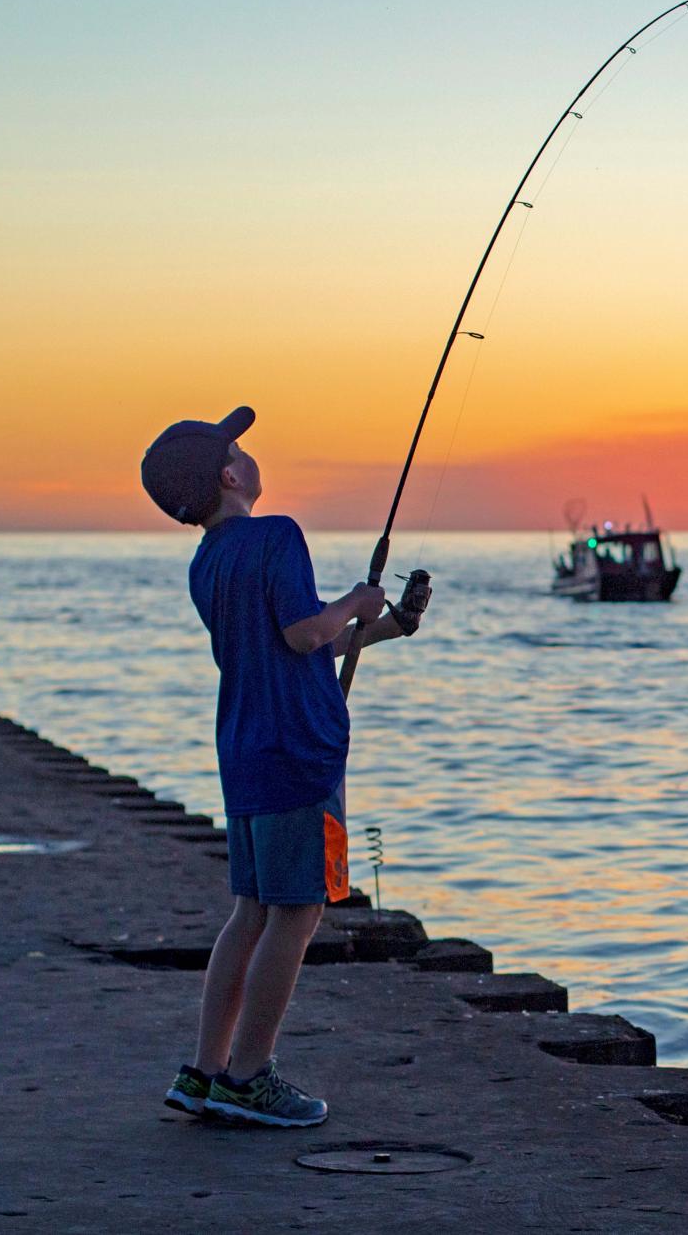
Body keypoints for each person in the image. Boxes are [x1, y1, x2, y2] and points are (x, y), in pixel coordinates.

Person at [141, 406, 428, 1128]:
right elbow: (305, 633)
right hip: (298, 753)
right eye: (237, 446)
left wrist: (389, 625)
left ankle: (204, 1071)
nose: (245, 450)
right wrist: (359, 599)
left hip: (244, 753)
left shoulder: (206, 561)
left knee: (252, 911)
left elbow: (291, 644)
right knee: (297, 912)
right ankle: (250, 1077)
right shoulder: (278, 535)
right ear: (232, 475)